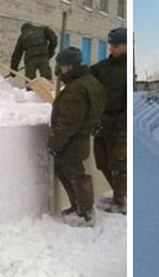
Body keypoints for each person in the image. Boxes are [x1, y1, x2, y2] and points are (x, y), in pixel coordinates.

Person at [48, 47, 106, 226]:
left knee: (75, 173)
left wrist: (55, 143)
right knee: (69, 170)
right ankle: (79, 207)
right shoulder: (89, 81)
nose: (60, 69)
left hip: (73, 139)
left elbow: (68, 121)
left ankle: (85, 214)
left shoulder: (76, 88)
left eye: (62, 66)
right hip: (81, 136)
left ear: (69, 66)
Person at [90, 27, 127, 214]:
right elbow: (85, 75)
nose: (112, 48)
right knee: (102, 162)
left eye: (117, 45)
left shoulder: (127, 69)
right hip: (102, 122)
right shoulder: (103, 67)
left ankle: (122, 200)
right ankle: (120, 194)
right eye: (111, 44)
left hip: (120, 124)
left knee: (119, 164)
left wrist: (121, 124)